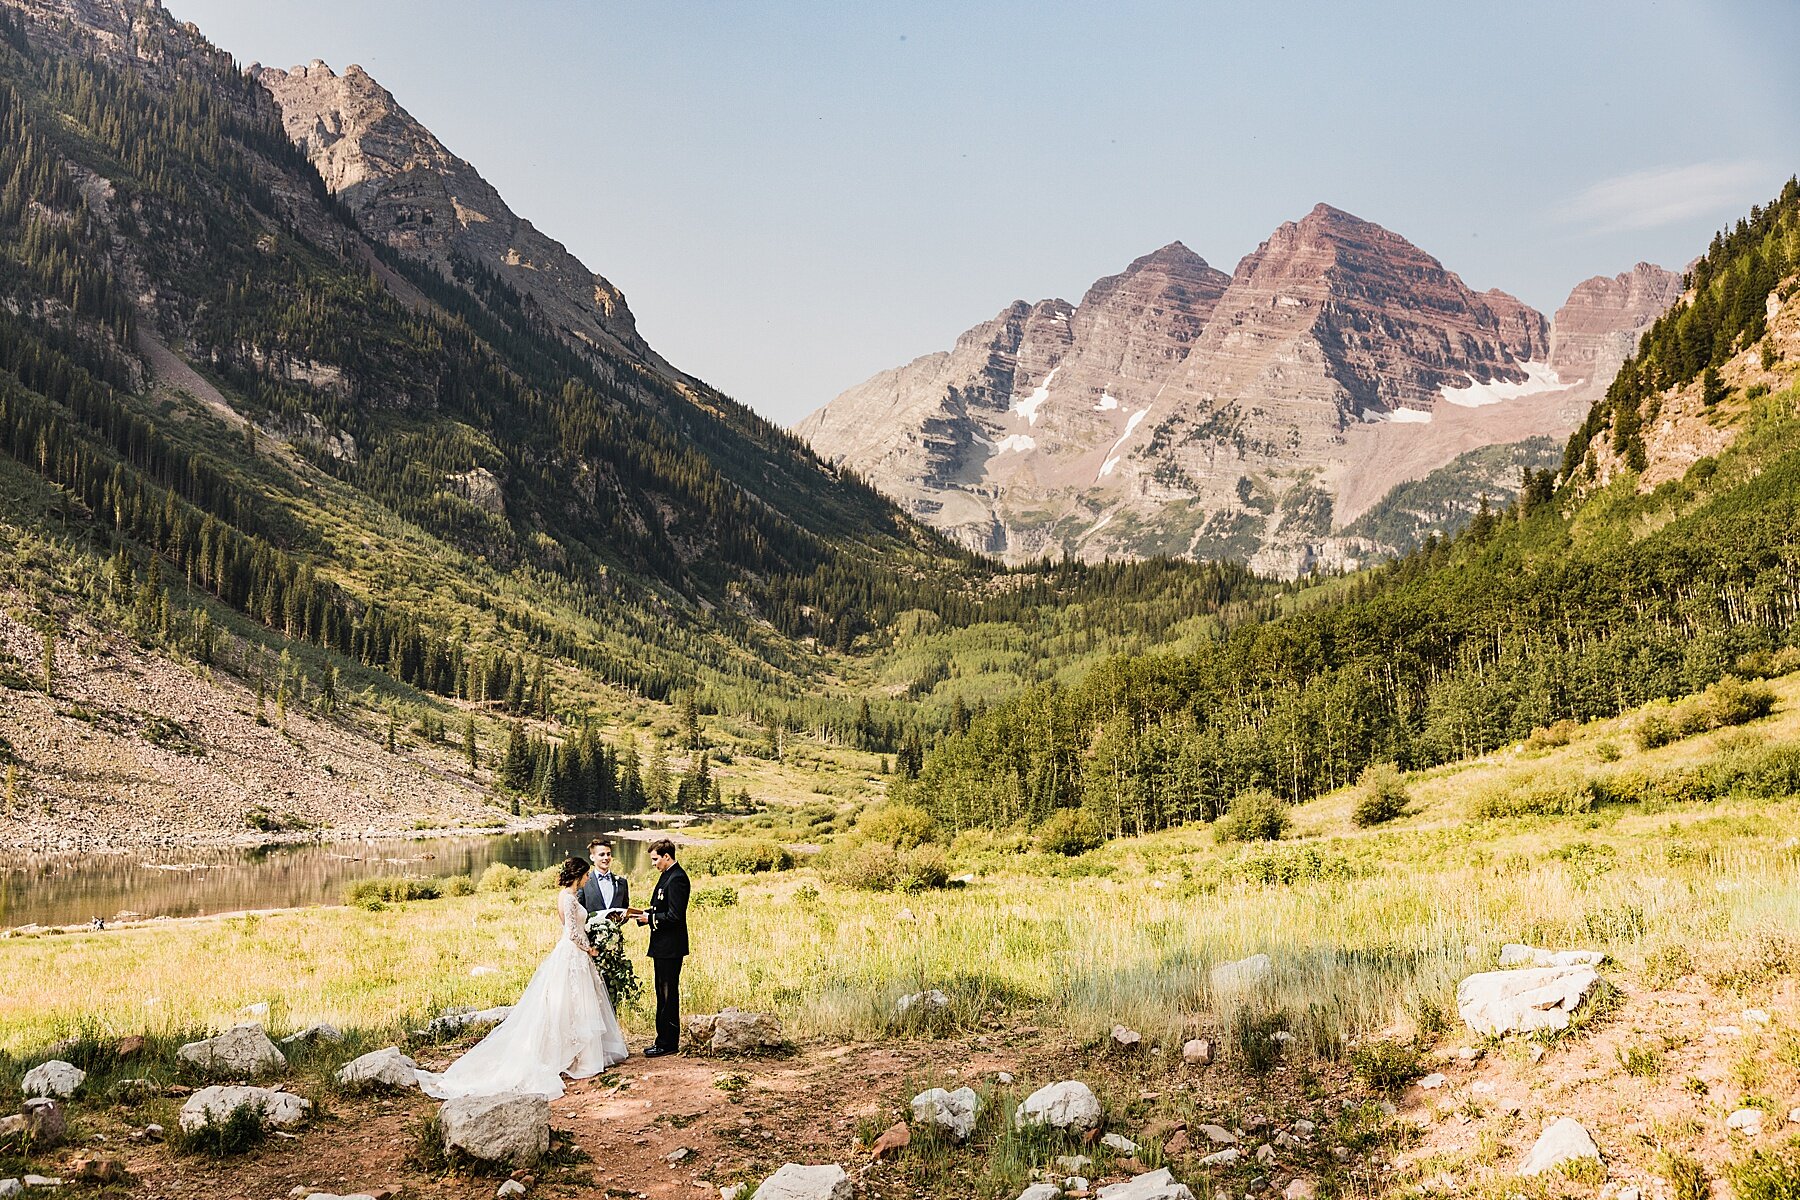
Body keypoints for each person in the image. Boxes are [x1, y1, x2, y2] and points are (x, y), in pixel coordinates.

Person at [416, 857, 628, 1099]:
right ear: (578, 875)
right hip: (573, 954)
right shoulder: (567, 898)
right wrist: (590, 947)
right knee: (570, 1004)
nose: (589, 878)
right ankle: (575, 1058)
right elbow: (571, 932)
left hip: (575, 956)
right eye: (586, 874)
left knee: (576, 1004)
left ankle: (580, 1056)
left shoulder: (570, 896)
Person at [631, 839, 689, 1057]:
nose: (653, 863)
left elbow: (675, 915)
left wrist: (650, 917)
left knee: (667, 995)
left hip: (670, 947)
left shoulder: (678, 879)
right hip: (663, 946)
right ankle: (663, 1039)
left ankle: (667, 1043)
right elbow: (660, 908)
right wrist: (640, 914)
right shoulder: (668, 875)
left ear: (667, 856)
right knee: (662, 993)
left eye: (655, 859)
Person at [578, 838, 628, 915]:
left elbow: (625, 909)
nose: (606, 858)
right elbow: (579, 910)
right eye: (602, 854)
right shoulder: (584, 882)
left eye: (608, 854)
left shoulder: (622, 882)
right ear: (592, 857)